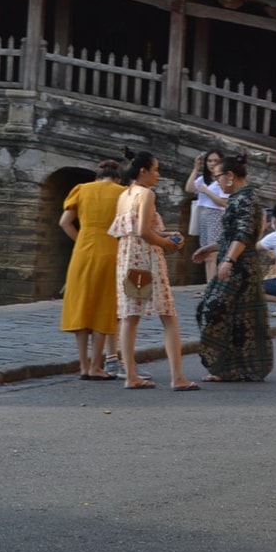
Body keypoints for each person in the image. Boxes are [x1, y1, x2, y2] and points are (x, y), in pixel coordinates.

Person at [110, 150, 195, 391]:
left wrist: (166, 235)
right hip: (147, 260)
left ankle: (131, 375)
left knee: (130, 318)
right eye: (155, 170)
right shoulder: (146, 194)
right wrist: (169, 244)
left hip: (128, 259)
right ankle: (177, 377)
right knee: (168, 316)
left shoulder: (124, 195)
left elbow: (133, 230)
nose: (158, 175)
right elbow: (145, 232)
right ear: (143, 171)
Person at [193, 151, 273, 381]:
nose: (217, 182)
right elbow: (231, 235)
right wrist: (211, 248)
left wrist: (229, 259)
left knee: (218, 311)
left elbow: (244, 233)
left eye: (218, 177)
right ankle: (227, 368)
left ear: (230, 176)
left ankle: (233, 367)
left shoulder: (246, 198)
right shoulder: (238, 198)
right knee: (229, 316)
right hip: (233, 260)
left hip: (240, 267)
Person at [59, 156, 126, 379]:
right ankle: (97, 366)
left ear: (98, 176)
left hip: (83, 250)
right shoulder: (122, 193)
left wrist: (81, 239)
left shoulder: (82, 189)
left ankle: (83, 365)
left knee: (82, 303)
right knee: (104, 306)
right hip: (110, 250)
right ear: (117, 178)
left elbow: (64, 222)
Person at [186, 150, 228, 277]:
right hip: (203, 215)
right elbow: (189, 188)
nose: (212, 164)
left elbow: (224, 202)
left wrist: (206, 191)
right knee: (205, 253)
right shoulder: (202, 179)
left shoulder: (222, 180)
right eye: (209, 161)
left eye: (215, 161)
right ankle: (208, 286)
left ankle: (212, 286)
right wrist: (196, 168)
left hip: (215, 215)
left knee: (212, 253)